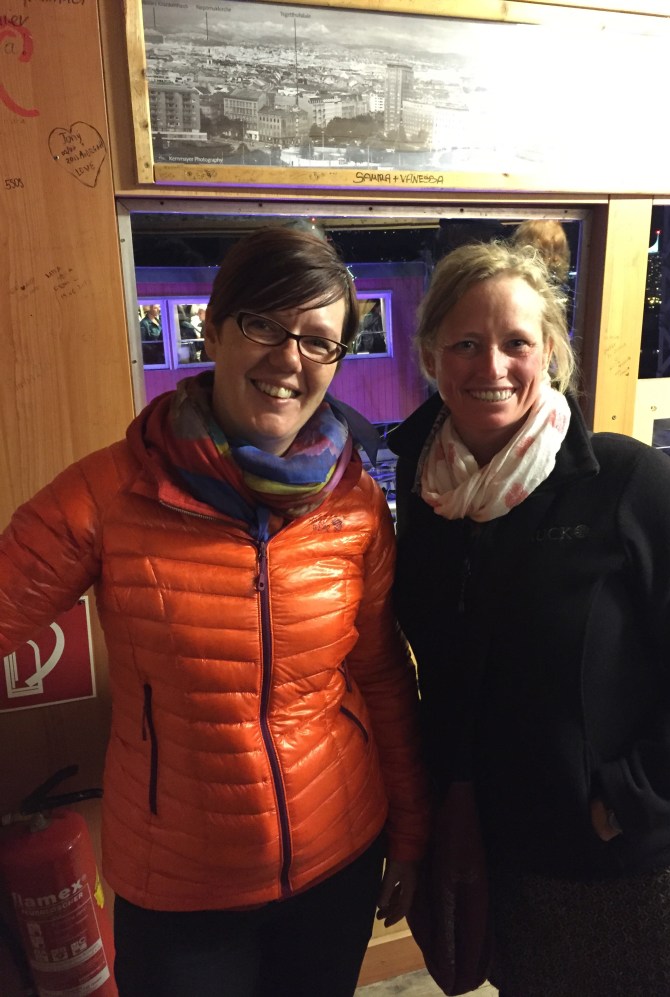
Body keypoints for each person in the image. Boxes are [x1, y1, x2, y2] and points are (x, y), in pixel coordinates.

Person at [0, 226, 429, 997]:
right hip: (180, 891)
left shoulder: (357, 504)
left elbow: (381, 675)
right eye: (264, 323)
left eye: (318, 340)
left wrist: (411, 830)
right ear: (214, 327)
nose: (289, 359)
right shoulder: (112, 491)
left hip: (338, 858)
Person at [389, 239, 670, 996]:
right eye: (465, 343)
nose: (491, 365)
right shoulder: (426, 500)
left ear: (549, 352)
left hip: (631, 863)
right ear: (429, 357)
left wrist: (632, 795)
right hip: (505, 860)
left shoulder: (626, 481)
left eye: (516, 342)